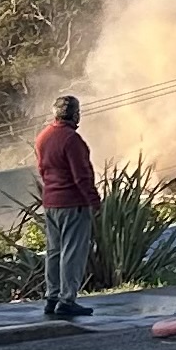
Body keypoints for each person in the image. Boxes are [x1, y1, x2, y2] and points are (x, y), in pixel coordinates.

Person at [34, 95, 101, 319]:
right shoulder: (71, 139)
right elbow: (82, 175)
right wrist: (94, 201)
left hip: (51, 203)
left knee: (54, 252)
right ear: (75, 114)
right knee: (72, 252)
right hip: (73, 204)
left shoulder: (43, 137)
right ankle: (67, 299)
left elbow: (43, 170)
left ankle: (52, 297)